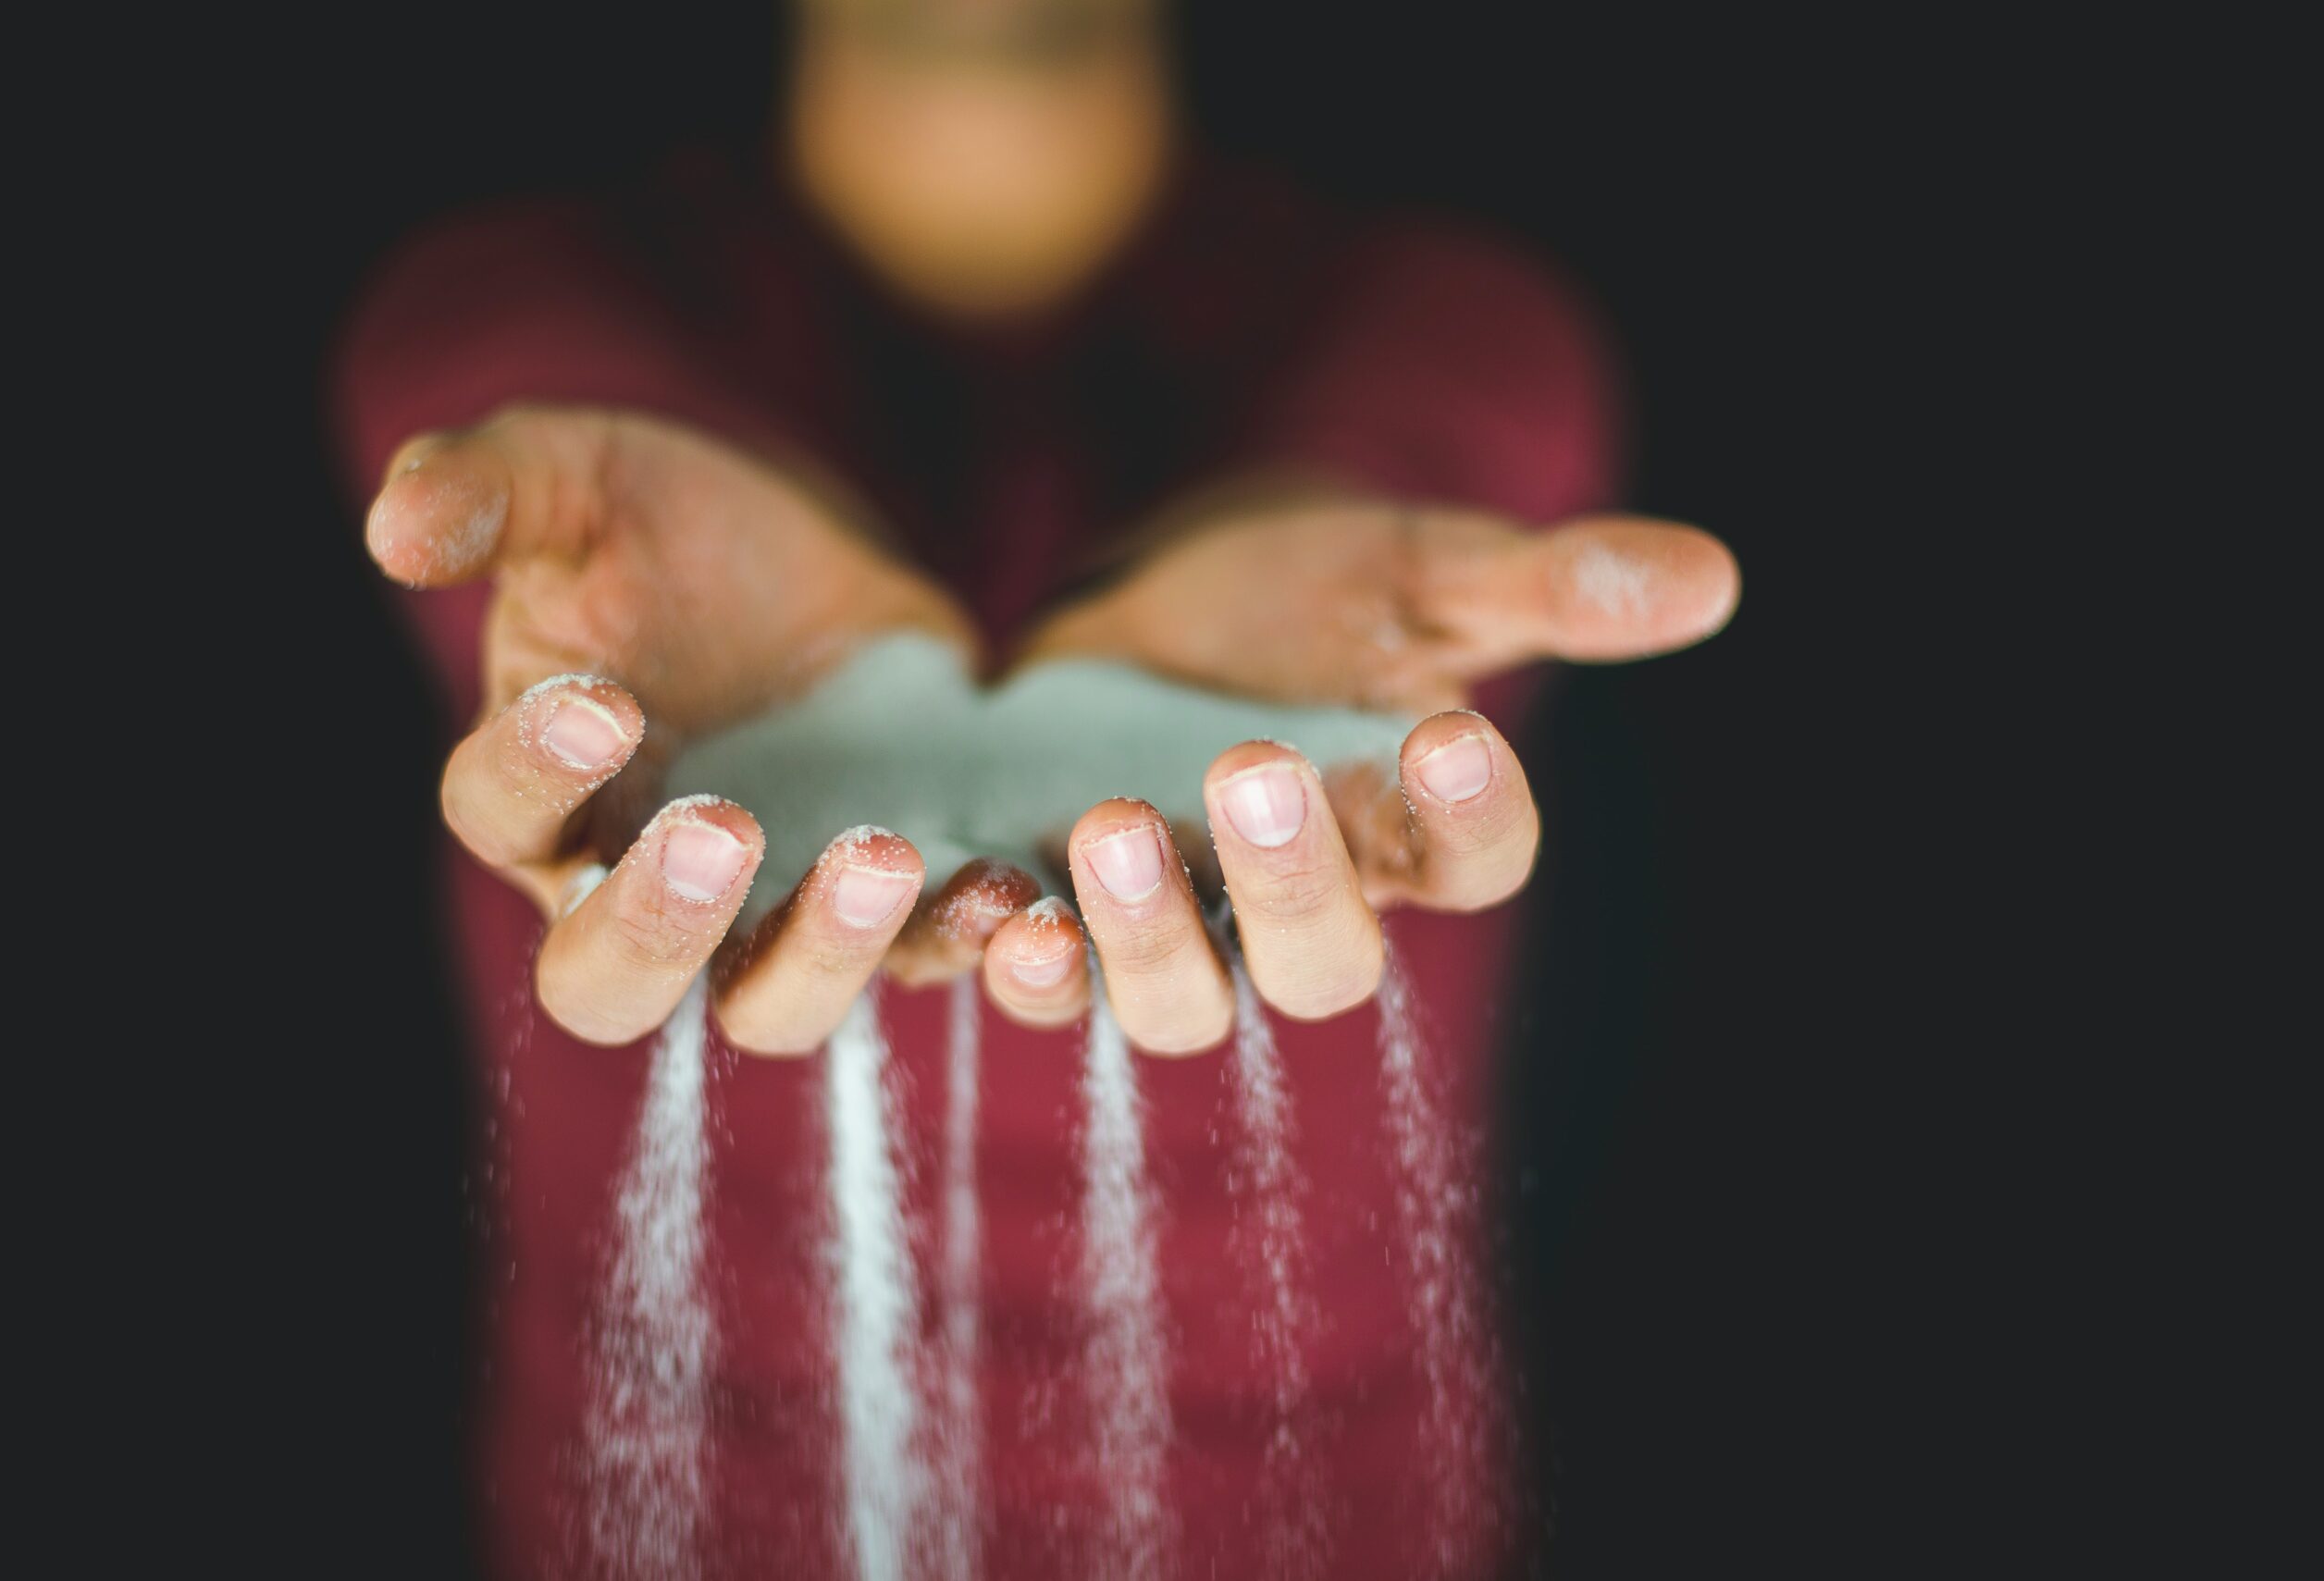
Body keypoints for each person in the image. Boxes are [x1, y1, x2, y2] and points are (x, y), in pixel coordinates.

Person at [335, 1, 1739, 1575]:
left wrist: (1288, 531)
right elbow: (505, 394)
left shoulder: (1446, 314)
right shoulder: (521, 303)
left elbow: (1429, 412)